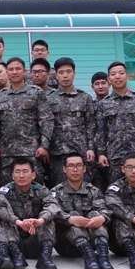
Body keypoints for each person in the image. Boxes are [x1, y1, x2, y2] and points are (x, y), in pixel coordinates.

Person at [0, 57, 52, 185]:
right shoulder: (0, 96)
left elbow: (46, 120)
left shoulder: (36, 93)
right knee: (7, 190)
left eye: (18, 69)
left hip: (32, 151)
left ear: (25, 72)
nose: (14, 72)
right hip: (6, 153)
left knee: (34, 189)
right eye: (11, 69)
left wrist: (44, 145)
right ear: (7, 72)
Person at [95, 61, 135, 187]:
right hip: (115, 156)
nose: (117, 76)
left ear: (127, 77)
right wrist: (101, 154)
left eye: (121, 73)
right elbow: (100, 131)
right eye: (113, 74)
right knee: (117, 190)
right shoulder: (103, 104)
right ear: (109, 79)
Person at [52, 153, 113, 269]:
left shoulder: (93, 191)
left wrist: (101, 218)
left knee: (95, 214)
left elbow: (105, 210)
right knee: (73, 215)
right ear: (64, 169)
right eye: (71, 166)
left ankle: (103, 257)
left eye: (79, 165)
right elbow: (52, 212)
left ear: (84, 168)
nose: (75, 169)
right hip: (66, 245)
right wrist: (70, 219)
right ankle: (90, 258)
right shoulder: (56, 192)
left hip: (92, 241)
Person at [0, 157, 61, 269]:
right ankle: (17, 257)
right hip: (14, 240)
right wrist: (18, 222)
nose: (21, 176)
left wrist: (40, 220)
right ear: (12, 176)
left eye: (25, 171)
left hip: (36, 239)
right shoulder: (6, 191)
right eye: (17, 172)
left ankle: (45, 257)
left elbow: (53, 206)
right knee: (4, 220)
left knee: (49, 219)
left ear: (33, 175)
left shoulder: (41, 190)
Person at [46, 57, 96, 186]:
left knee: (83, 188)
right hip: (57, 153)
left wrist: (91, 148)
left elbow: (91, 125)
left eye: (68, 71)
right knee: (58, 190)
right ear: (56, 75)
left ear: (74, 73)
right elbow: (45, 126)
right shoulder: (48, 99)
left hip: (80, 152)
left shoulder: (85, 98)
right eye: (61, 72)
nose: (65, 75)